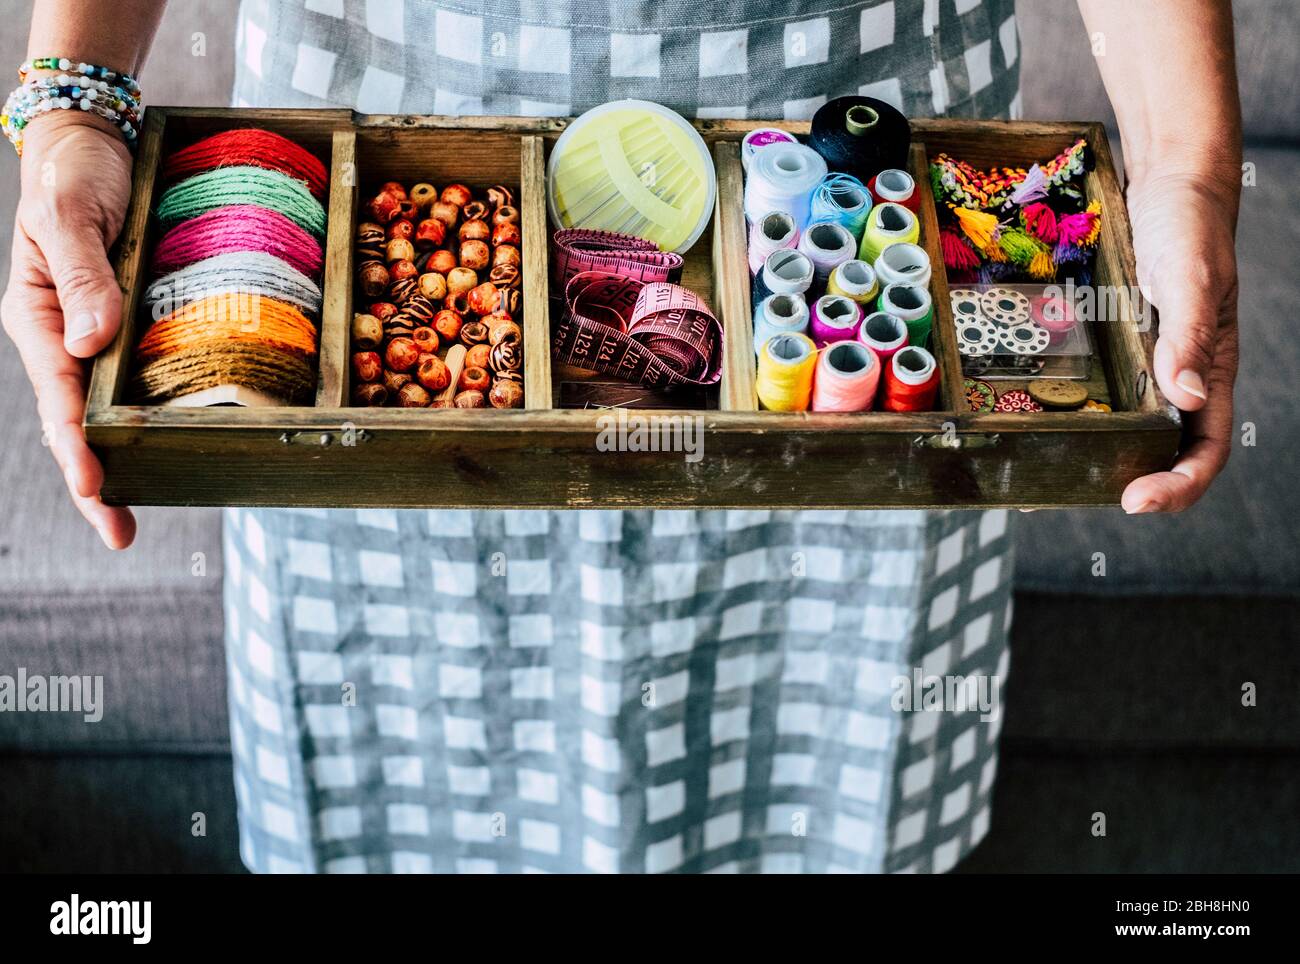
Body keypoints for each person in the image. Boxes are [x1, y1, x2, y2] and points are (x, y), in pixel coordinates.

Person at [2, 0, 1240, 873]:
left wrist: (1184, 170)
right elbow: (78, 100)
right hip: (379, 136)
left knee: (815, 795)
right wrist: (70, 113)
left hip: (867, 124)